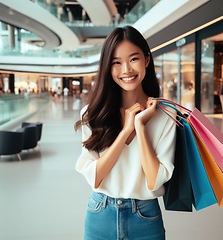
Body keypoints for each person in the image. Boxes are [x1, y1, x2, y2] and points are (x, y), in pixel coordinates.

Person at [75, 26, 176, 240]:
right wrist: (125, 132)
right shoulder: (92, 114)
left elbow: (154, 181)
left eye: (133, 59)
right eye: (116, 62)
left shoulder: (166, 115)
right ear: (108, 67)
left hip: (145, 218)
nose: (126, 70)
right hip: (100, 215)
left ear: (147, 60)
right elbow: (95, 177)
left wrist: (140, 127)